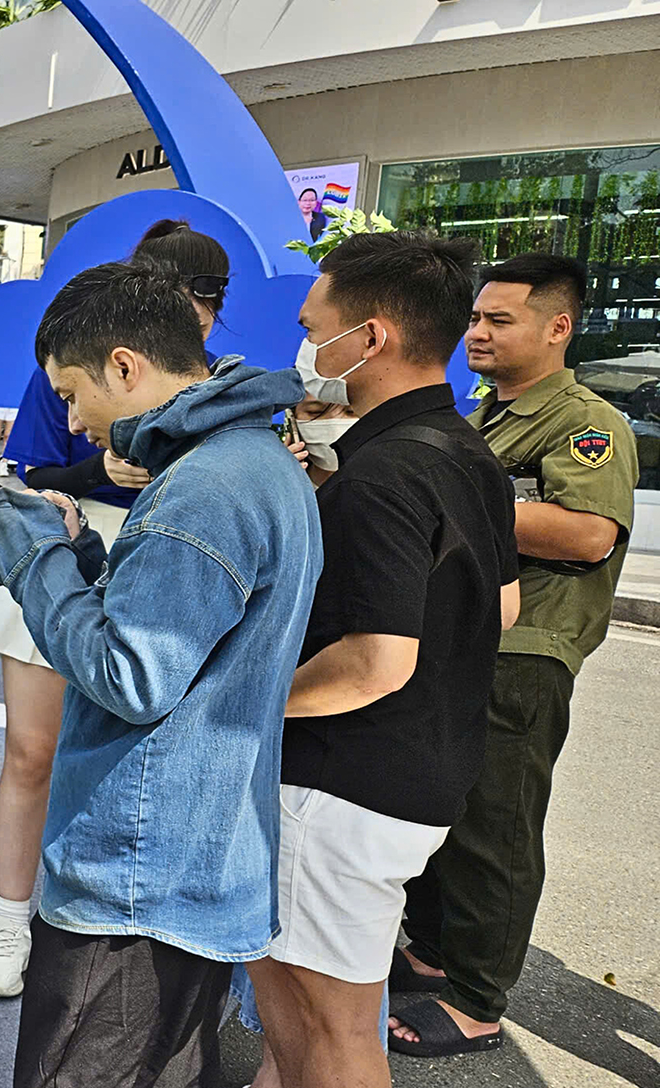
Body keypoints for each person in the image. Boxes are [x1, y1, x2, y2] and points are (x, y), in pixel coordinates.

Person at [0, 262, 321, 1087]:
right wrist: (80, 554)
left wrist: (31, 557)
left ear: (123, 365)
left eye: (72, 395)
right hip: (186, 862)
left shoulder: (203, 489)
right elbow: (179, 633)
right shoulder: (242, 459)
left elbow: (130, 676)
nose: (72, 421)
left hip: (136, 880)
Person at [245, 232, 520, 1088]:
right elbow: (503, 606)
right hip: (420, 770)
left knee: (330, 1032)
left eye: (312, 327)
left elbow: (374, 662)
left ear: (369, 338)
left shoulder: (382, 474)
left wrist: (247, 700)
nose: (305, 348)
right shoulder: (465, 451)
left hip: (340, 789)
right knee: (293, 1028)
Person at [0, 218, 230, 1000]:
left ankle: (120, 923)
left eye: (206, 308)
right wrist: (100, 468)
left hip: (171, 565)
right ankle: (12, 917)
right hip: (78, 543)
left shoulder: (227, 384)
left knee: (141, 756)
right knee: (32, 751)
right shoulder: (75, 360)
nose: (193, 320)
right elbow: (35, 470)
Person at [390, 253, 639, 1058]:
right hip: (458, 641)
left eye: (499, 320)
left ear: (558, 327)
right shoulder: (484, 417)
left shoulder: (585, 424)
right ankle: (435, 953)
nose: (478, 333)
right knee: (442, 808)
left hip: (525, 650)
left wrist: (440, 490)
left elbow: (588, 533)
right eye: (475, 318)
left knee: (495, 826)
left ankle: (475, 1003)